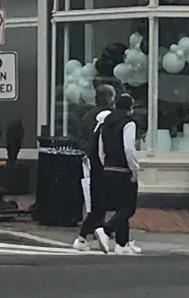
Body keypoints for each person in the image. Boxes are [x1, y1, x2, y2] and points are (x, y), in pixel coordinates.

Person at [96, 93, 142, 255]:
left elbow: (101, 149)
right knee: (128, 209)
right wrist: (134, 169)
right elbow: (129, 148)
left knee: (120, 209)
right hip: (123, 170)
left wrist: (105, 164)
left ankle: (122, 244)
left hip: (108, 169)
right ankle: (106, 230)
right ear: (130, 108)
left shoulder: (106, 123)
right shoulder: (128, 123)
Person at [72, 84, 116, 252]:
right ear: (109, 98)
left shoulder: (87, 117)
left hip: (90, 162)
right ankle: (101, 229)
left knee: (97, 199)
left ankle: (96, 229)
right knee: (111, 201)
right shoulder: (110, 117)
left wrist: (87, 150)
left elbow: (79, 137)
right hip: (106, 163)